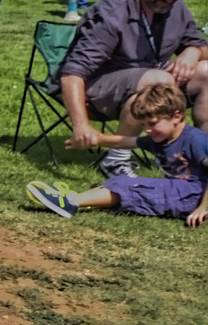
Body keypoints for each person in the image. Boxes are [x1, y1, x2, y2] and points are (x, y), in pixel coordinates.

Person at [57, 0, 207, 179]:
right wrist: (81, 126)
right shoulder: (112, 13)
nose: (168, 0)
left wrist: (193, 51)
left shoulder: (175, 7)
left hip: (152, 82)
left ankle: (198, 157)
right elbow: (72, 74)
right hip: (98, 89)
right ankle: (116, 160)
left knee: (206, 72)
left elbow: (203, 49)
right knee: (158, 80)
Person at [26, 79, 208, 226]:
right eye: (143, 125)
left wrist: (203, 207)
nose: (148, 130)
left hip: (194, 195)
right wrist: (96, 139)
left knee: (132, 187)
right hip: (179, 192)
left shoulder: (195, 140)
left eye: (152, 123)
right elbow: (127, 141)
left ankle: (70, 202)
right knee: (119, 181)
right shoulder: (161, 137)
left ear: (177, 116)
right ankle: (80, 200)